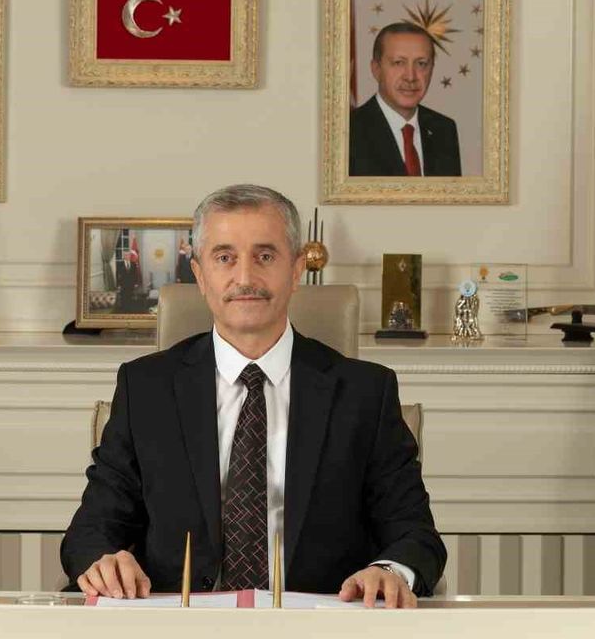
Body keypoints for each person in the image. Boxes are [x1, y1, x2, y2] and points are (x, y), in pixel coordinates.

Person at [61, 184, 445, 608]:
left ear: (296, 270)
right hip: (179, 625)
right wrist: (103, 560)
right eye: (224, 258)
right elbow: (92, 530)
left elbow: (415, 534)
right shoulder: (146, 389)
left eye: (265, 257)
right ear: (199, 274)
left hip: (320, 627)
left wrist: (389, 571)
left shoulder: (364, 393)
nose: (245, 278)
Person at [349, 22, 461, 177]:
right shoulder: (348, 132)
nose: (410, 77)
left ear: (432, 69)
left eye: (421, 64)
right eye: (398, 63)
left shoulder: (444, 129)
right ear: (376, 69)